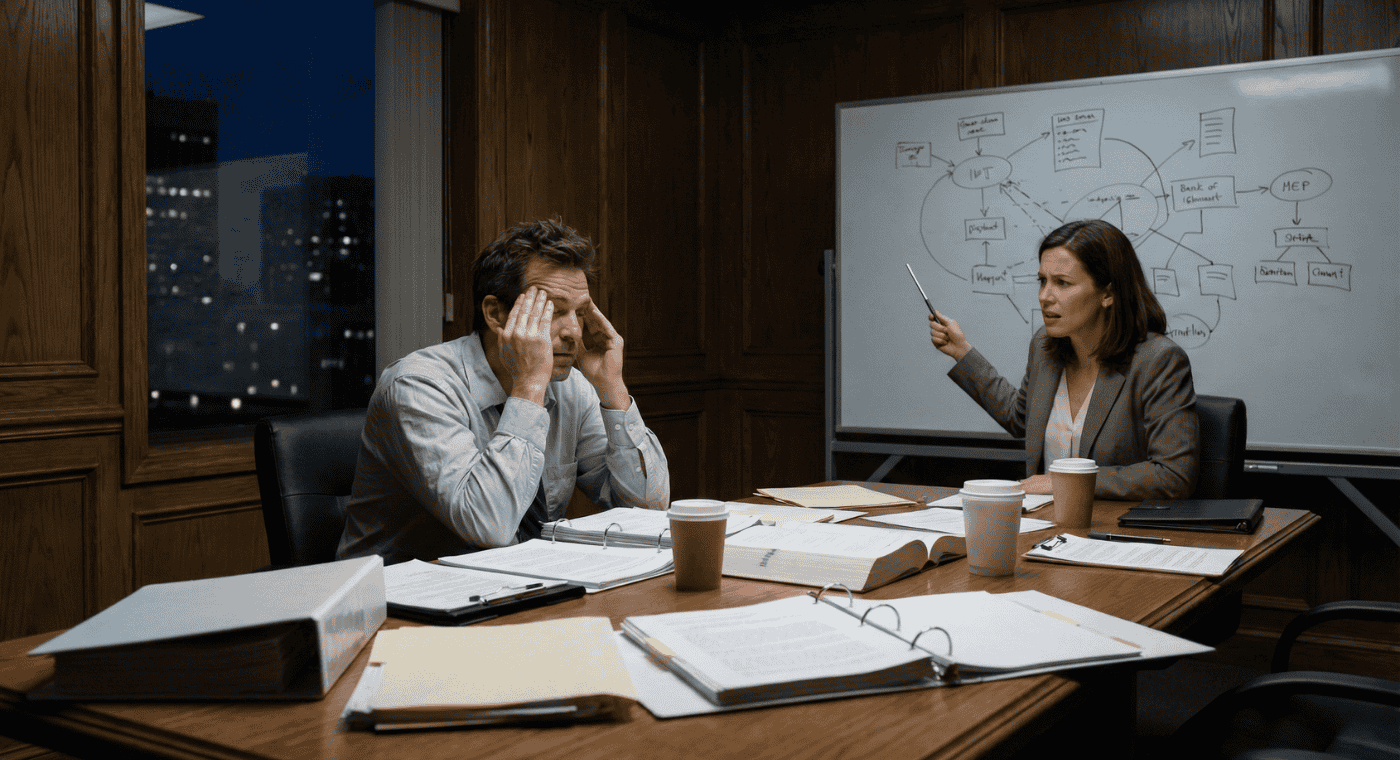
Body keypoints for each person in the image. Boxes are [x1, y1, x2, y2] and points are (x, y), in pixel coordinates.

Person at [337, 218, 671, 564]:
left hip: (519, 585)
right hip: (392, 602)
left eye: (580, 313)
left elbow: (649, 507)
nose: (574, 331)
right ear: (496, 314)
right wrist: (528, 386)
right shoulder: (417, 386)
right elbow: (488, 526)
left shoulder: (571, 388)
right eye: (555, 311)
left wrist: (611, 387)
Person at [927, 219, 1198, 500]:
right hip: (1043, 525)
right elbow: (1020, 418)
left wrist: (1064, 482)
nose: (1045, 296)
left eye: (1062, 283)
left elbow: (1173, 476)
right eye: (1042, 281)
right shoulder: (1045, 347)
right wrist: (961, 351)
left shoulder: (1159, 360)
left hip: (1114, 532)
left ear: (1108, 293)